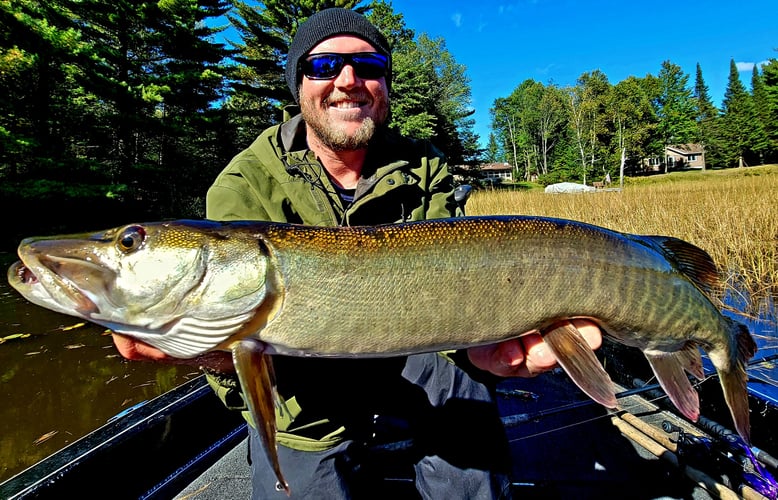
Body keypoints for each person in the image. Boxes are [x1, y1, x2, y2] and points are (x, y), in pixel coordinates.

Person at [112, 8, 602, 499]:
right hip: (302, 382)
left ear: (386, 85)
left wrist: (484, 350)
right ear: (298, 85)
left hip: (414, 352)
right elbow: (239, 338)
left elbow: (451, 286)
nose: (348, 81)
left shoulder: (423, 165)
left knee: (468, 440)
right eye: (324, 67)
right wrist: (215, 354)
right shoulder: (246, 181)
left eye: (368, 67)